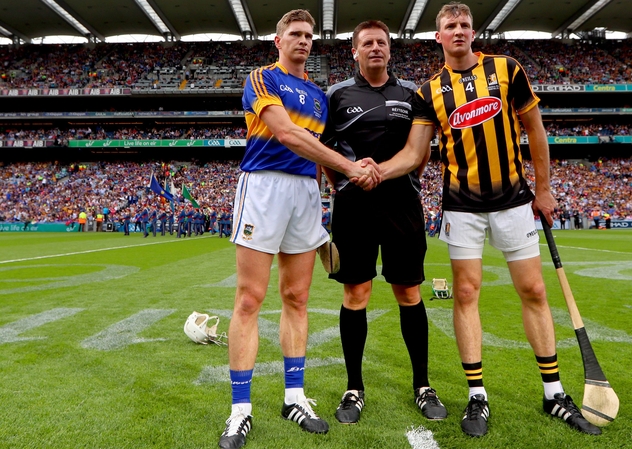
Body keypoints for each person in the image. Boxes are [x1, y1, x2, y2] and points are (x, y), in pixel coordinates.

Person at [364, 2, 600, 438]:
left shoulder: (507, 70)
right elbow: (415, 154)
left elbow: (535, 129)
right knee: (467, 292)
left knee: (532, 289)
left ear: (474, 32)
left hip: (513, 200)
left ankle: (553, 393)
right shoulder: (429, 90)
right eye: (450, 26)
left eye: (464, 25)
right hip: (461, 205)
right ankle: (477, 395)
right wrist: (375, 169)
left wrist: (544, 189)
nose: (458, 31)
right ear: (438, 37)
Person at [218, 9, 380, 449]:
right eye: (295, 34)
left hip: (307, 194)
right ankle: (240, 411)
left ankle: (294, 397)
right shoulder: (261, 78)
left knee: (297, 297)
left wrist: (342, 186)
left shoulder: (319, 95)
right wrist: (350, 167)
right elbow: (287, 134)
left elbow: (320, 151)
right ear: (278, 39)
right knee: (250, 298)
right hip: (264, 188)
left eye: (309, 35)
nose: (304, 40)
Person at [320, 19, 446, 426]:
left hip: (401, 203)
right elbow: (324, 153)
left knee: (408, 292)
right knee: (355, 293)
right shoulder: (335, 94)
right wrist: (351, 178)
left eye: (382, 42)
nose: (376, 48)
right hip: (354, 207)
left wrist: (377, 172)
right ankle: (353, 387)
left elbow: (419, 152)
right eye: (367, 43)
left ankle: (422, 385)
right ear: (354, 51)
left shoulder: (412, 94)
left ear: (390, 49)